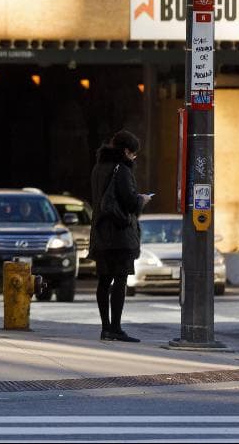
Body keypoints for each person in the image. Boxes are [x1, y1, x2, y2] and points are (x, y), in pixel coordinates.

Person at [88, 130, 151, 343]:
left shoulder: (98, 168)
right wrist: (141, 200)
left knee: (104, 280)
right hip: (120, 235)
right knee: (120, 279)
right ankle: (115, 328)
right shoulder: (122, 169)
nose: (134, 158)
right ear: (126, 151)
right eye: (133, 154)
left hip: (101, 233)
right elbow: (130, 203)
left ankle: (105, 328)